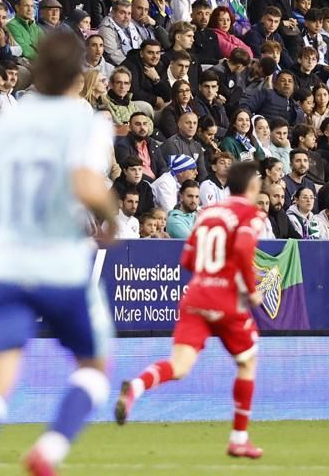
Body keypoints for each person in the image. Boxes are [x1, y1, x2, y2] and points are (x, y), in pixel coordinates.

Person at [0, 30, 116, 476]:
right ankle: (50, 448)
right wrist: (111, 218)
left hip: (6, 262)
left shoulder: (7, 120)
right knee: (94, 366)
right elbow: (86, 184)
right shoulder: (87, 121)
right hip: (60, 265)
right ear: (80, 76)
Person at [114, 160, 266, 459]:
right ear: (251, 187)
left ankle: (136, 386)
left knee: (179, 366)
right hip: (226, 300)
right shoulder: (251, 214)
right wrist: (250, 290)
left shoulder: (208, 214)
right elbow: (243, 248)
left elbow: (187, 261)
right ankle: (238, 438)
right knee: (247, 363)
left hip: (196, 296)